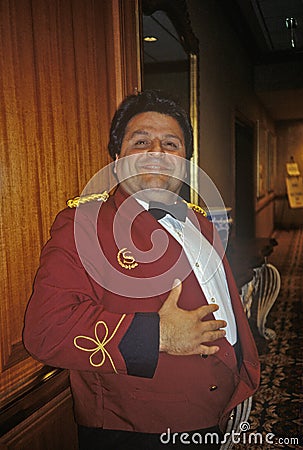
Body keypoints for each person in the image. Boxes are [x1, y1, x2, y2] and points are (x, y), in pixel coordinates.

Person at [23, 90, 260, 450]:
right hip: (137, 432)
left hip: (223, 406)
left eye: (171, 144)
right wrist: (158, 336)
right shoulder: (81, 224)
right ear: (117, 160)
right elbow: (45, 331)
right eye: (141, 142)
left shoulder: (199, 220)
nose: (157, 153)